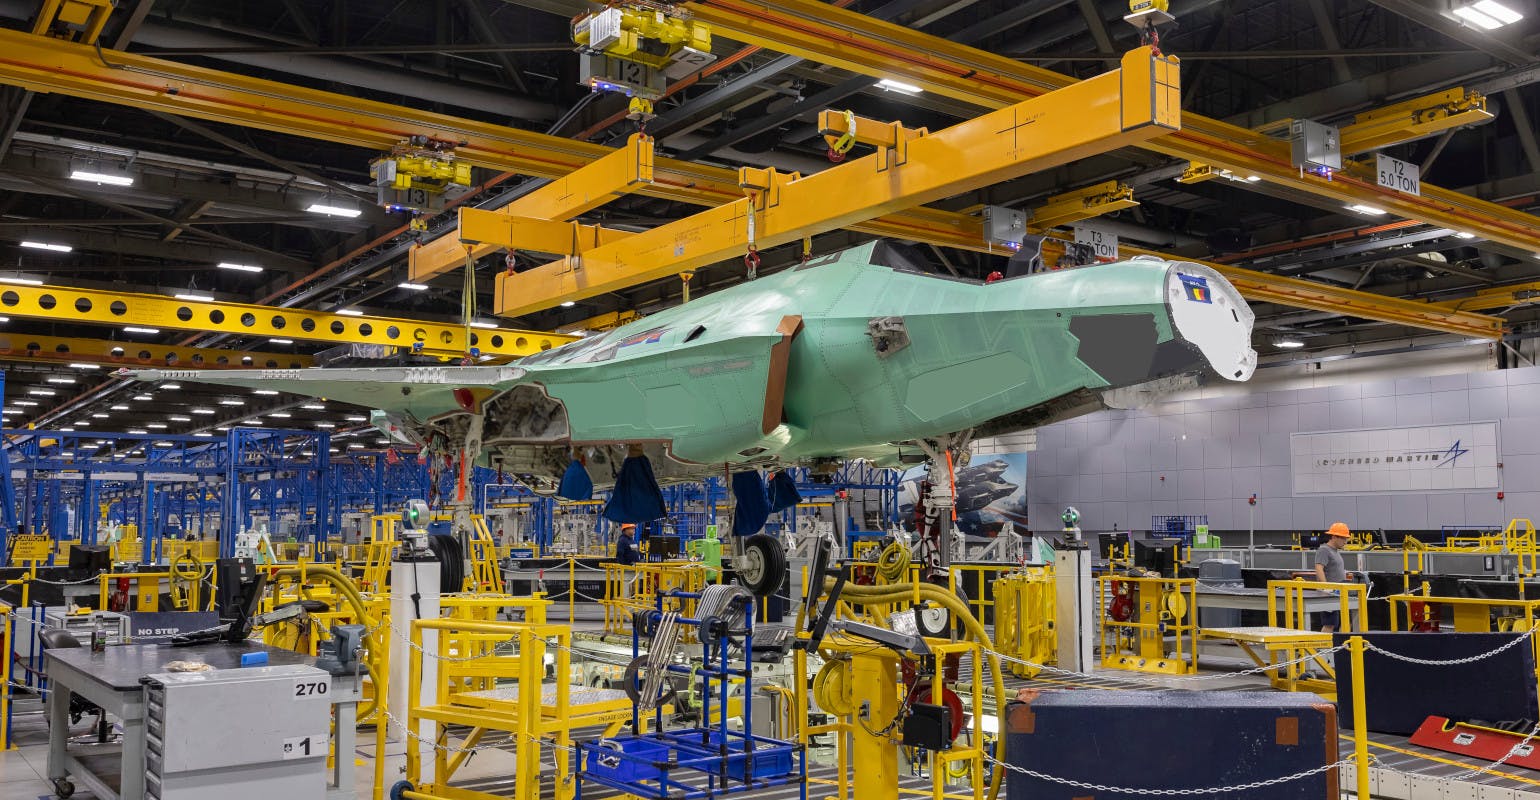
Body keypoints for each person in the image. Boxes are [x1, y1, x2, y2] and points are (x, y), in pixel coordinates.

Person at [1313, 521, 1352, 633]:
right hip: (1330, 593)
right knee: (1329, 623)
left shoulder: (1335, 551)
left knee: (1344, 623)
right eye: (1343, 538)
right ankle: (1323, 648)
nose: (1345, 541)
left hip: (1339, 592)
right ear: (1334, 537)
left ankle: (1340, 647)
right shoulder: (1324, 550)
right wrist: (1326, 587)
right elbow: (1319, 567)